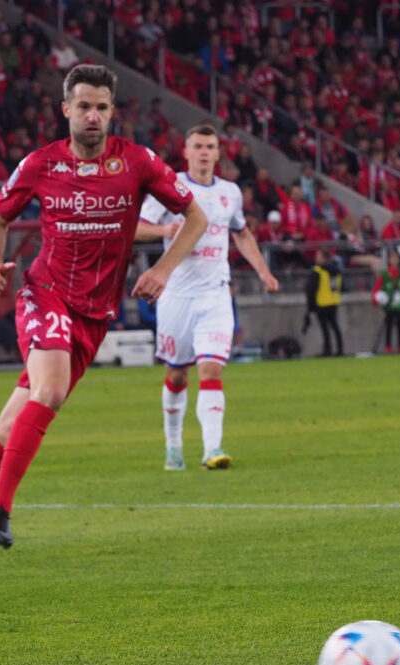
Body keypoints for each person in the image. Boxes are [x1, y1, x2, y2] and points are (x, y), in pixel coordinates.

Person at [0, 63, 207, 557]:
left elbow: (196, 216)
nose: (93, 116)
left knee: (9, 430)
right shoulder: (41, 164)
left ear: (112, 112)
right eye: (83, 106)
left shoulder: (138, 162)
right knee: (52, 389)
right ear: (66, 109)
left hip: (96, 313)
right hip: (45, 293)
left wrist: (165, 270)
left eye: (101, 108)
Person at [134, 123, 280, 471]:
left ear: (218, 153)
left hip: (215, 295)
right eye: (197, 145)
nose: (203, 151)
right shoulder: (170, 187)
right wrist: (162, 230)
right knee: (177, 375)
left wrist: (262, 271)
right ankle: (173, 446)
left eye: (210, 146)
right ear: (186, 151)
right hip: (177, 297)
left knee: (212, 368)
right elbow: (136, 227)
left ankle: (212, 449)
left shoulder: (230, 192)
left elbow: (241, 234)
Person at [371, 250, 400, 353]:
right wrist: (375, 299)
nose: (394, 261)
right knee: (389, 325)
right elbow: (377, 287)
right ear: (389, 260)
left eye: (396, 258)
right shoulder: (385, 274)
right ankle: (388, 346)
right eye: (392, 258)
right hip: (389, 304)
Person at [304, 250, 344, 357]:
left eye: (318, 256)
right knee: (335, 327)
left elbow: (311, 289)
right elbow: (342, 287)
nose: (316, 258)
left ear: (324, 258)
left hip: (322, 302)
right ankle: (340, 349)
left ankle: (328, 350)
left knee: (325, 328)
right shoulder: (336, 271)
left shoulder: (318, 271)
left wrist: (310, 306)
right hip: (334, 301)